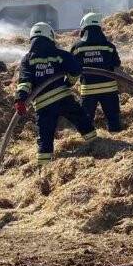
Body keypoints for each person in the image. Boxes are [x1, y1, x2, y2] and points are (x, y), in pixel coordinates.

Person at [15, 22, 97, 164]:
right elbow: (76, 70)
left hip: (43, 105)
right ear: (50, 36)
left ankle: (43, 167)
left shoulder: (27, 60)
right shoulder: (60, 54)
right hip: (63, 99)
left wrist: (20, 100)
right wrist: (70, 82)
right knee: (82, 120)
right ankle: (97, 146)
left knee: (45, 137)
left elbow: (25, 81)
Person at [71, 12, 123, 132]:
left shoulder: (77, 47)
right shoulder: (109, 46)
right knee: (113, 118)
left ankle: (89, 143)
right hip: (109, 90)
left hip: (88, 90)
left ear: (84, 26)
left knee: (86, 120)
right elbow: (117, 64)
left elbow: (72, 68)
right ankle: (117, 140)